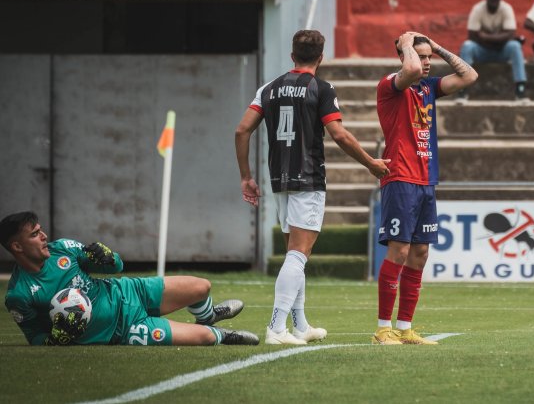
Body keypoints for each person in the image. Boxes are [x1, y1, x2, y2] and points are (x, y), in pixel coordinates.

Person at [235, 30, 391, 346]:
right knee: (298, 255)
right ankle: (276, 328)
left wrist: (246, 177)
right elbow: (340, 134)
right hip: (307, 179)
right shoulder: (321, 88)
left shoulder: (268, 88)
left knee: (297, 253)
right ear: (320, 57)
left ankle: (300, 325)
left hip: (278, 179)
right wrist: (371, 163)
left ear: (292, 56)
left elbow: (242, 131)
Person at [1, 211, 258, 346]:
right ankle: (223, 334)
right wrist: (54, 340)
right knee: (205, 338)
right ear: (17, 247)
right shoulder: (19, 295)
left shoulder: (63, 248)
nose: (44, 235)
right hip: (123, 331)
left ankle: (208, 316)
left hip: (129, 292)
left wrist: (108, 257)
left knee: (202, 286)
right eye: (35, 234)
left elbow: (117, 266)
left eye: (40, 230)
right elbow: (34, 337)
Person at [372, 31, 478, 345]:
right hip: (401, 178)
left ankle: (404, 328)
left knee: (419, 253)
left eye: (429, 56)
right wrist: (406, 44)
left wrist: (438, 46)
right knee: (399, 251)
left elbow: (469, 75)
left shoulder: (428, 88)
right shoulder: (391, 85)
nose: (426, 62)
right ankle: (382, 329)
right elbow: (412, 70)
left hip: (426, 179)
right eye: (422, 56)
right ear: (405, 56)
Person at [457, 0, 528, 102]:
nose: (494, 0)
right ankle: (462, 89)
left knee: (515, 46)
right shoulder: (478, 9)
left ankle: (520, 89)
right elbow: (472, 35)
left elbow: (511, 34)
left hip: (501, 51)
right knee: (467, 46)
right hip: (482, 51)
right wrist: (500, 38)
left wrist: (485, 36)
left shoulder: (506, 8)